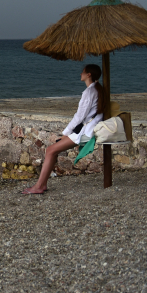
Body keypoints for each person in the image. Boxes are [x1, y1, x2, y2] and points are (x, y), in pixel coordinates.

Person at [23, 64, 104, 195]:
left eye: (82, 72)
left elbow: (79, 117)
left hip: (86, 132)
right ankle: (41, 184)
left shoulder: (89, 92)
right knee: (53, 150)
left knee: (50, 150)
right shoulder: (98, 90)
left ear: (89, 74)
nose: (80, 74)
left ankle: (39, 186)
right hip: (88, 129)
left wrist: (65, 133)